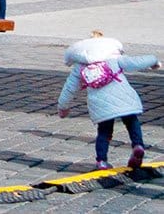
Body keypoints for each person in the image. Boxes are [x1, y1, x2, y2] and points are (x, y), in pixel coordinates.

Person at [58, 32, 161, 171]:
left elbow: (69, 89)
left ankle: (101, 161)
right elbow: (137, 62)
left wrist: (63, 107)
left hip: (101, 106)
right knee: (132, 122)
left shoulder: (80, 66)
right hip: (124, 100)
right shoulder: (115, 59)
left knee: (104, 132)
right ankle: (138, 145)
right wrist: (154, 61)